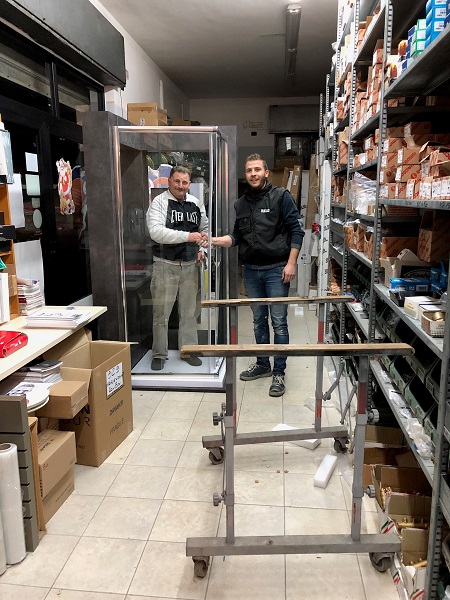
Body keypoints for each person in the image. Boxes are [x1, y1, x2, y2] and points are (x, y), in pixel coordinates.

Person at [211, 154, 304, 396]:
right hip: (251, 271)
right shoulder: (240, 204)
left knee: (279, 322)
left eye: (257, 170)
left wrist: (291, 264)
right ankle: (263, 364)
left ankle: (279, 372)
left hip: (277, 269)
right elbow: (237, 236)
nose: (253, 174)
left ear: (265, 173)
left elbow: (297, 231)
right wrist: (216, 240)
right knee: (258, 320)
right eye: (249, 170)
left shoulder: (281, 197)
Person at [147, 165, 208, 371]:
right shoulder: (159, 202)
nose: (180, 186)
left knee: (189, 313)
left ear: (189, 184)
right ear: (169, 181)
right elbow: (156, 232)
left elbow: (205, 229)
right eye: (177, 181)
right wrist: (188, 237)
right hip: (165, 264)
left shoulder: (196, 203)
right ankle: (159, 353)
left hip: (190, 265)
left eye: (184, 182)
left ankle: (188, 350)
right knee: (161, 313)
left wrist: (203, 249)